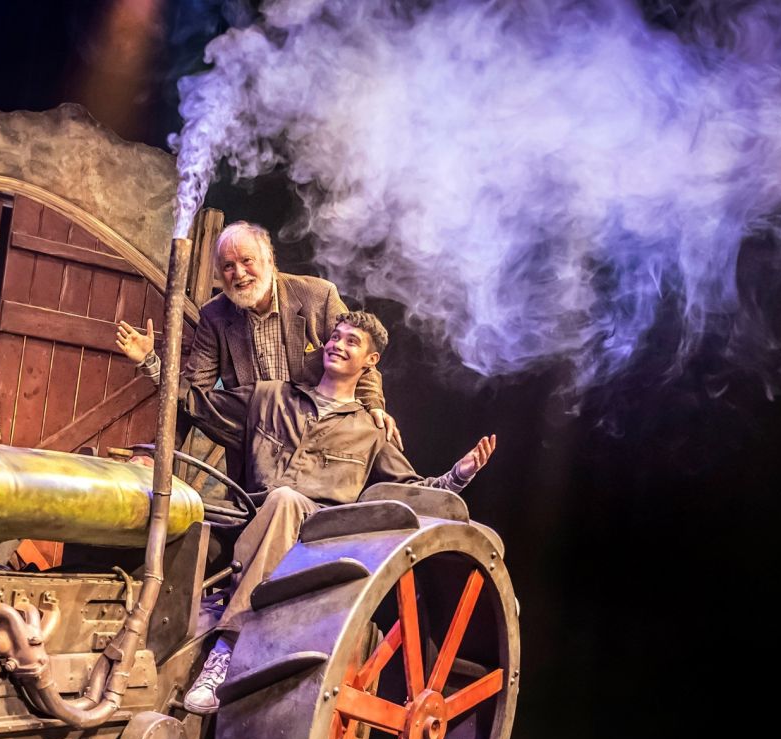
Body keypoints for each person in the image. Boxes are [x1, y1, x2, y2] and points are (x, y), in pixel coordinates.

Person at [124, 310, 496, 714]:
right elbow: (197, 403)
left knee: (285, 500)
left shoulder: (371, 434)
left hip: (315, 545)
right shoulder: (268, 397)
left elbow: (409, 492)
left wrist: (458, 476)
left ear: (370, 361)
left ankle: (226, 651)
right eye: (335, 337)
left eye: (352, 341)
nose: (338, 345)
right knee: (183, 512)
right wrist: (150, 361)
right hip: (250, 523)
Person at [115, 221, 402, 449]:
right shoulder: (215, 316)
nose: (238, 274)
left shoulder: (318, 296)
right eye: (228, 266)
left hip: (317, 444)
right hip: (255, 453)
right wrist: (157, 454)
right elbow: (193, 395)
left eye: (246, 261)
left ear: (268, 260)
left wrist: (374, 407)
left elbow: (360, 359)